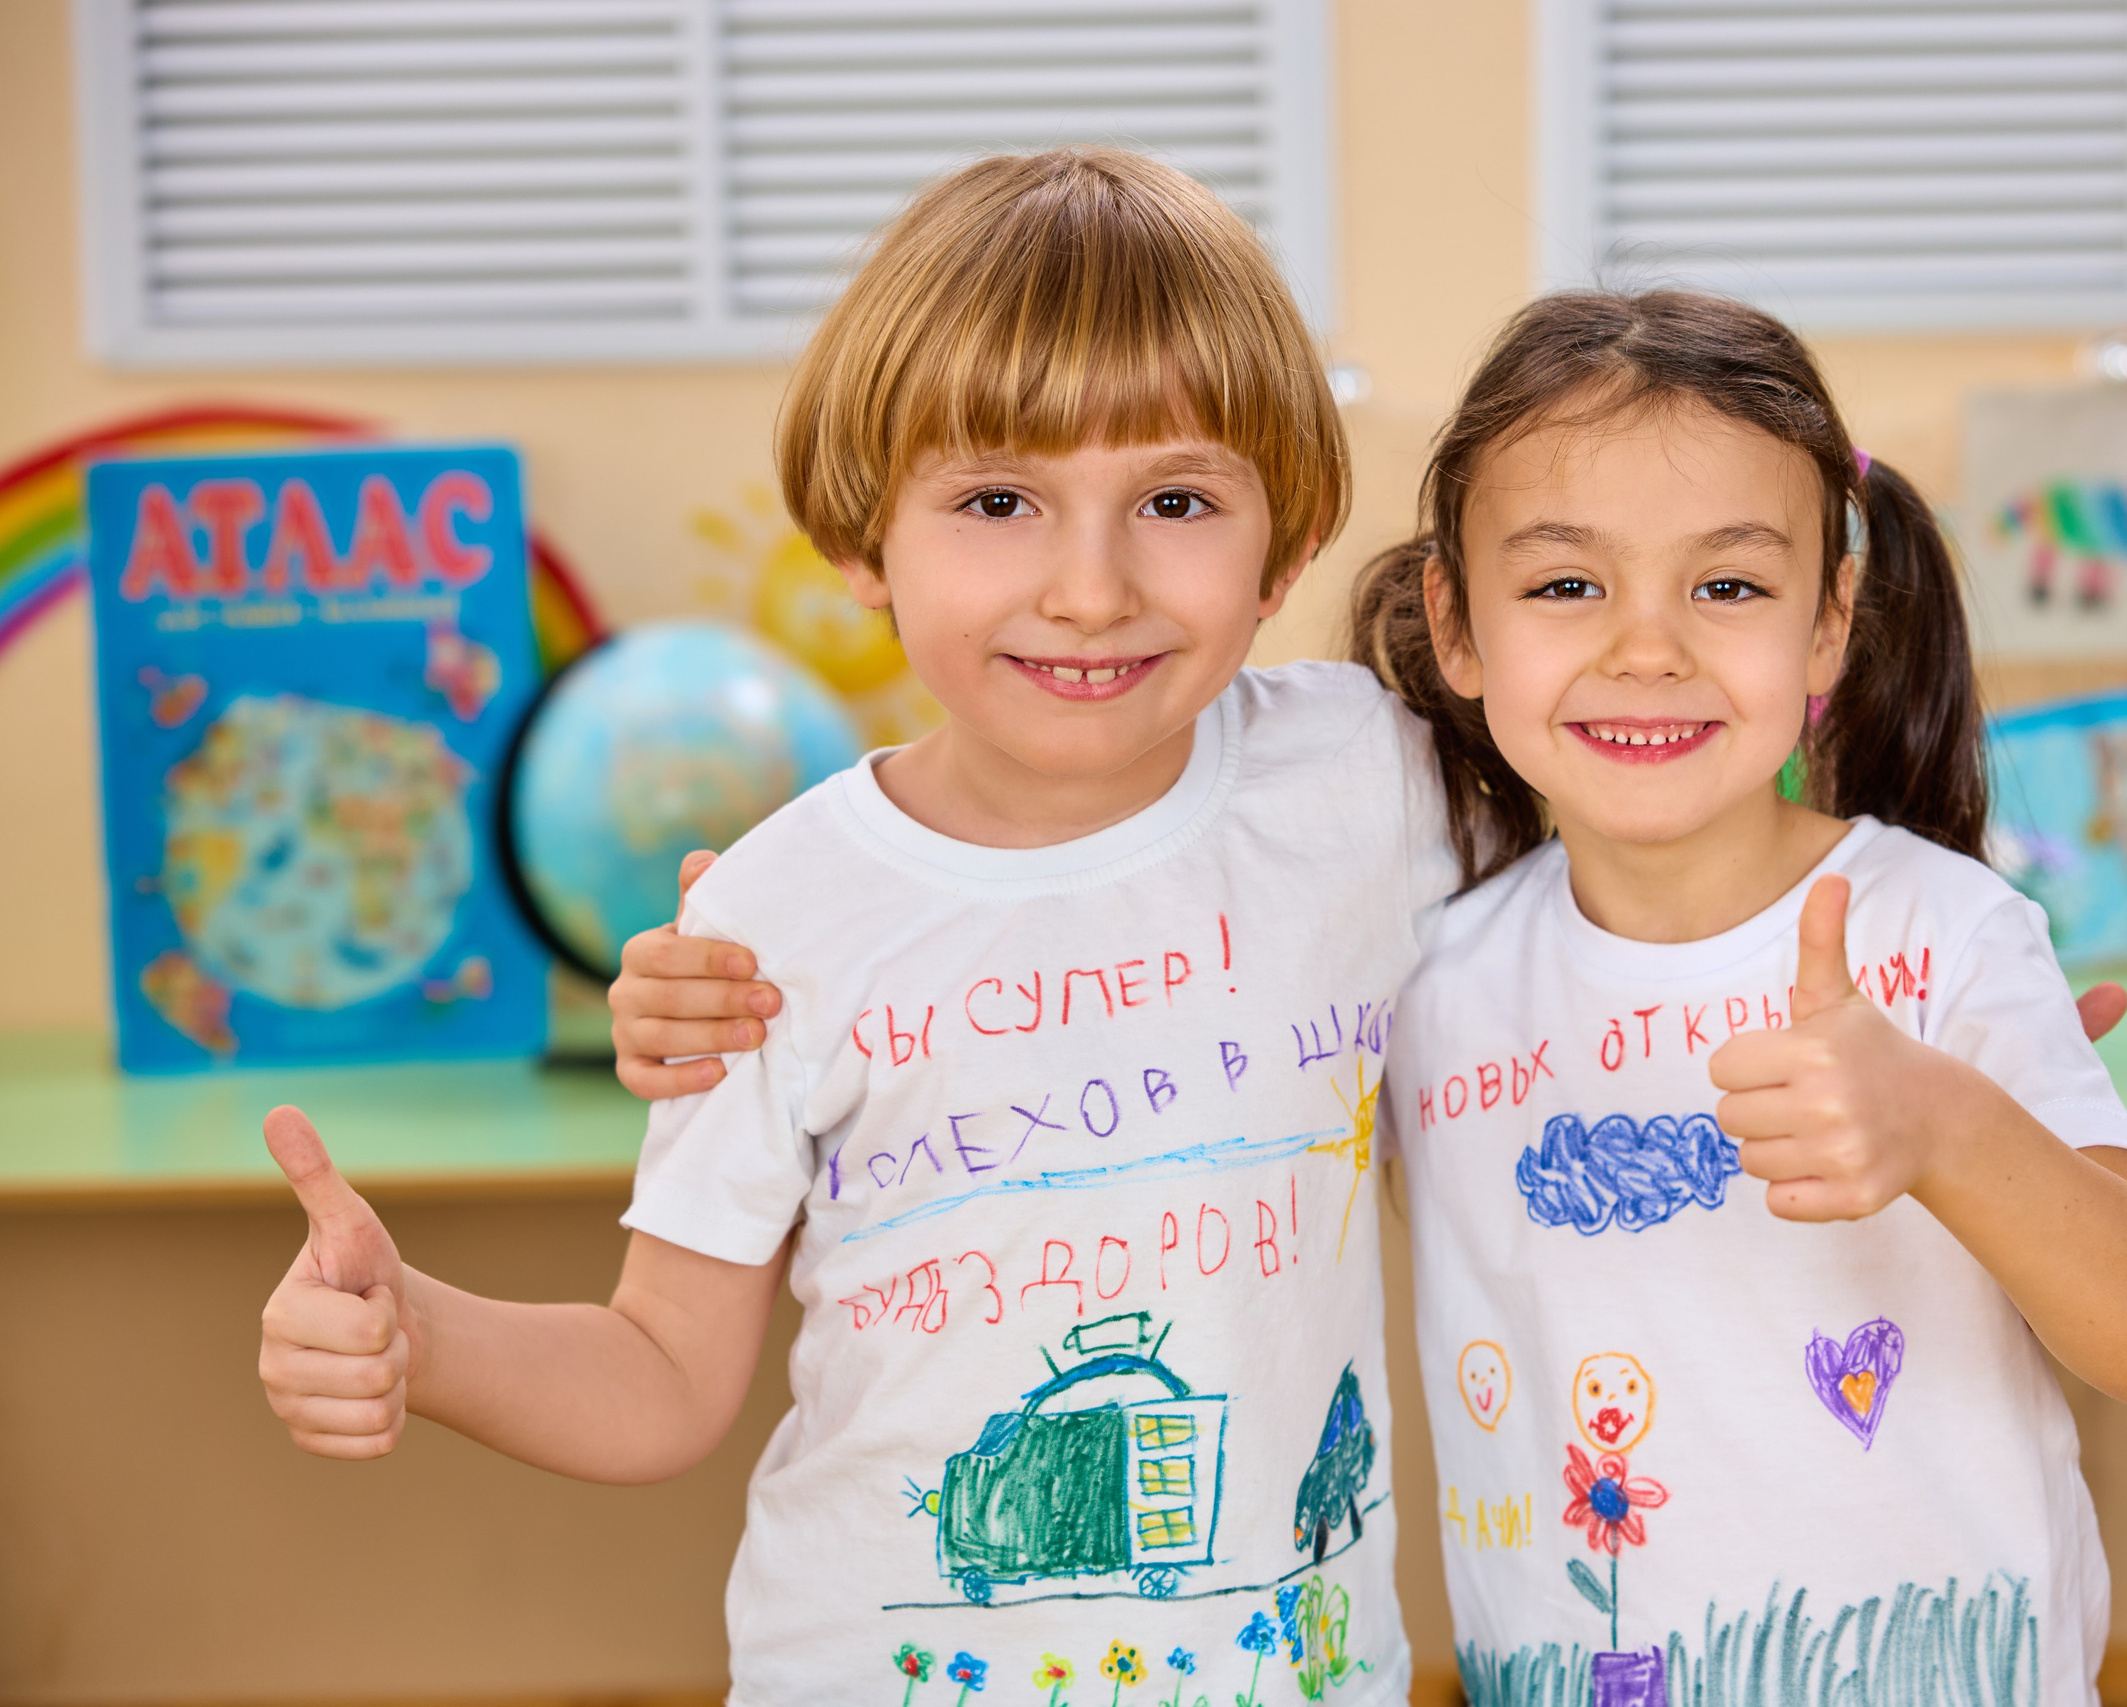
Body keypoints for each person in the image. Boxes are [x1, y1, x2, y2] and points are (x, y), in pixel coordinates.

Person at [254, 149, 1451, 1707]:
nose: (1088, 588)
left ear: (1285, 544)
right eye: (998, 501)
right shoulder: (763, 926)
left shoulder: (1369, 777)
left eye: (1174, 499)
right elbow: (665, 1377)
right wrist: (416, 1329)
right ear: (861, 544)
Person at [1350, 291, 2127, 1707]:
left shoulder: (1942, 930)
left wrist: (1950, 1126)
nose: (1649, 649)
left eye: (1730, 586)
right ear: (1458, 627)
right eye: (1567, 584)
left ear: (1829, 630)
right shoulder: (1430, 986)